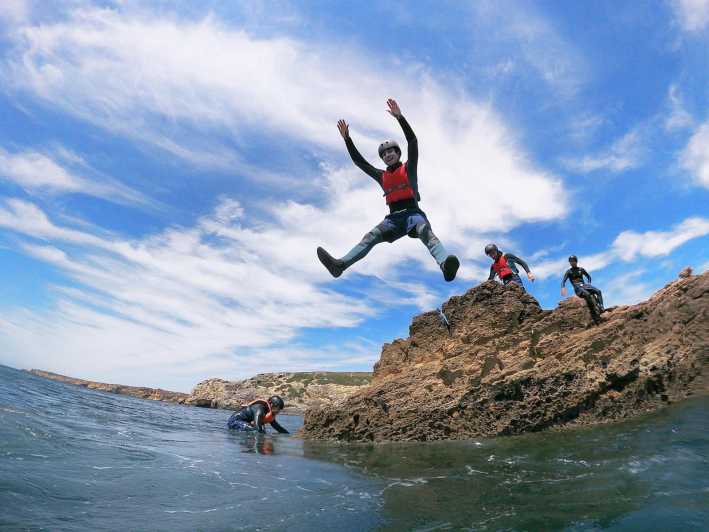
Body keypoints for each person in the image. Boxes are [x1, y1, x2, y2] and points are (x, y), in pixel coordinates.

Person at [316, 98, 460, 282]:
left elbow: (413, 141)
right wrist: (347, 140)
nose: (388, 155)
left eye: (391, 151)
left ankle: (445, 265)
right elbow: (359, 162)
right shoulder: (381, 176)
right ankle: (339, 266)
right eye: (384, 154)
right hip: (393, 220)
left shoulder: (408, 168)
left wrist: (400, 118)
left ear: (398, 153)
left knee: (424, 231)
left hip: (413, 214)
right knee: (370, 237)